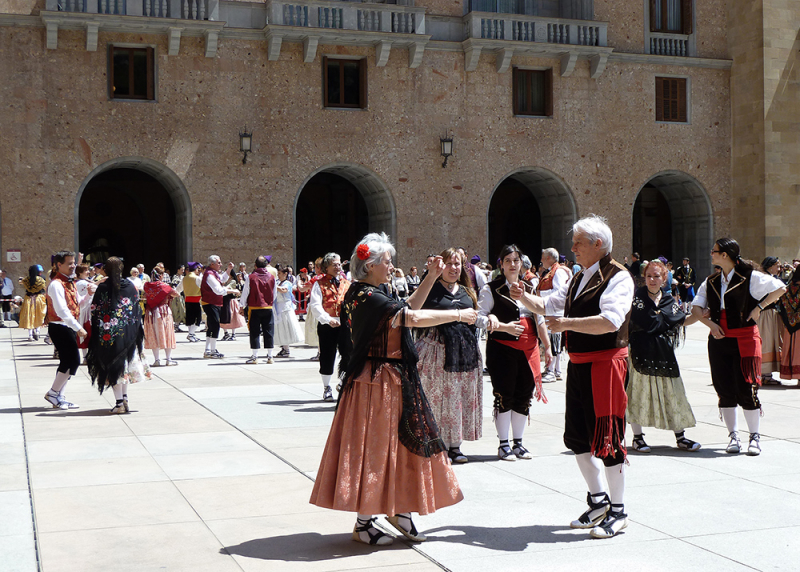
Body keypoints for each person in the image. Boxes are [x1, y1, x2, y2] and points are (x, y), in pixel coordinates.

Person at [310, 233, 467, 546]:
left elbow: (407, 309)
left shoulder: (369, 292)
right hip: (378, 382)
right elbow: (410, 317)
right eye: (386, 261)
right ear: (369, 266)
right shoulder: (367, 296)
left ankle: (401, 509)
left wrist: (431, 277)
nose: (391, 265)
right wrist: (460, 314)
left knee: (399, 446)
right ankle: (366, 521)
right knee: (377, 448)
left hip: (389, 378)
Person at [512, 215, 634, 539]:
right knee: (577, 438)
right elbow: (548, 304)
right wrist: (522, 296)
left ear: (598, 244)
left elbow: (610, 321)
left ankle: (619, 511)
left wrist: (566, 325)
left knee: (608, 439)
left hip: (606, 365)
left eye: (578, 242)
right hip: (580, 365)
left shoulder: (618, 277)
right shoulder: (579, 278)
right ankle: (598, 501)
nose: (572, 247)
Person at [690, 238, 786, 455]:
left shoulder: (750, 277)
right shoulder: (711, 281)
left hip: (745, 339)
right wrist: (710, 324)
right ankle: (733, 436)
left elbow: (780, 288)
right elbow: (696, 307)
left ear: (725, 255)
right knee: (723, 389)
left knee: (747, 388)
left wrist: (759, 307)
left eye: (714, 251)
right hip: (719, 339)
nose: (711, 253)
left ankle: (754, 437)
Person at [407, 248, 484, 464]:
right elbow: (413, 312)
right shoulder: (431, 289)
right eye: (449, 263)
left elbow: (477, 317)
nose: (453, 268)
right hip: (435, 353)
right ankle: (436, 444)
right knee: (436, 398)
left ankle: (455, 445)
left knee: (458, 399)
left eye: (457, 264)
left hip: (464, 355)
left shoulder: (468, 292)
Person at [480, 244, 550, 461]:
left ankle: (518, 443)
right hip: (503, 349)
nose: (512, 264)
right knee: (505, 395)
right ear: (501, 264)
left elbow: (539, 318)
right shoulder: (491, 289)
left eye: (516, 260)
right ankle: (503, 444)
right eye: (508, 260)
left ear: (521, 264)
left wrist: (547, 347)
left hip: (529, 350)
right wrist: (501, 325)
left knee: (524, 395)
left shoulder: (529, 287)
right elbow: (480, 317)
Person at [627, 260, 701, 453]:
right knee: (638, 393)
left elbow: (681, 320)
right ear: (644, 278)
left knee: (673, 392)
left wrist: (703, 316)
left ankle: (681, 437)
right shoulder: (636, 298)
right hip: (639, 353)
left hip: (664, 353)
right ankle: (637, 438)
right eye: (649, 276)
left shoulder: (669, 300)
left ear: (664, 278)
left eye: (656, 276)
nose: (652, 279)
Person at [86, 257, 150, 413]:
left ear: (106, 270)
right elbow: (137, 310)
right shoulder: (130, 286)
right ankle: (125, 399)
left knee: (113, 366)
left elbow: (94, 309)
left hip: (108, 335)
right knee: (125, 366)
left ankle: (119, 402)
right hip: (128, 334)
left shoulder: (103, 287)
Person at [44, 251, 95, 410]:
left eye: (74, 263)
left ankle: (59, 396)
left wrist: (88, 295)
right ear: (59, 265)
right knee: (71, 361)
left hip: (66, 327)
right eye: (70, 263)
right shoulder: (56, 284)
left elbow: (77, 303)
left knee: (69, 362)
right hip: (60, 327)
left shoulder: (69, 282)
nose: (73, 266)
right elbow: (61, 310)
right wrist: (78, 327)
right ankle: (53, 393)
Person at [309, 253, 351, 401]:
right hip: (327, 324)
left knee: (348, 354)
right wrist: (327, 319)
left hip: (345, 324)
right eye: (334, 264)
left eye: (339, 264)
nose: (338, 267)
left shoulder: (347, 283)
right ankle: (326, 387)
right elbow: (315, 305)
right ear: (326, 267)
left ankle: (343, 383)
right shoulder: (318, 283)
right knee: (327, 355)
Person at [538, 248, 572, 382]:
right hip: (552, 311)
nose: (541, 260)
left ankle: (552, 371)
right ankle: (555, 370)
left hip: (555, 313)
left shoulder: (558, 272)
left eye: (542, 257)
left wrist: (540, 294)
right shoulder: (554, 271)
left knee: (554, 343)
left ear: (548, 258)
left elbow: (559, 292)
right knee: (554, 343)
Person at [240, 256, 278, 364]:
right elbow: (274, 294)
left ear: (255, 265)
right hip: (268, 308)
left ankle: (255, 356)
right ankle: (270, 356)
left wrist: (241, 306)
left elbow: (245, 292)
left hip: (254, 307)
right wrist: (268, 302)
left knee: (255, 331)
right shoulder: (272, 277)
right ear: (266, 265)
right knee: (269, 331)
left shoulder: (251, 277)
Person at [201, 256, 235, 359]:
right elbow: (218, 290)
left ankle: (208, 350)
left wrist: (229, 269)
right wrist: (232, 291)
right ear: (212, 264)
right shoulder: (209, 275)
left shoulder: (213, 273)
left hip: (213, 302)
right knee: (215, 325)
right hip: (210, 303)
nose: (220, 264)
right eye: (219, 263)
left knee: (212, 326)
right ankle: (212, 350)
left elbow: (222, 279)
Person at [143, 269, 179, 366]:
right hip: (163, 311)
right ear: (161, 275)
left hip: (151, 312)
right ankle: (168, 359)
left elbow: (145, 295)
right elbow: (176, 294)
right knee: (167, 333)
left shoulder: (147, 285)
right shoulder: (164, 286)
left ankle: (157, 360)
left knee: (153, 334)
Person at [758, 256, 784, 385]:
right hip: (765, 313)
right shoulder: (765, 279)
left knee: (772, 342)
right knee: (766, 342)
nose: (779, 269)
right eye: (777, 266)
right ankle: (764, 373)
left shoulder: (771, 278)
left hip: (772, 314)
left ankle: (766, 373)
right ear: (770, 266)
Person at [273, 266, 303, 357]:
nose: (278, 275)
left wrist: (273, 285)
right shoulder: (278, 282)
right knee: (281, 328)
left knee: (286, 327)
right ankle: (284, 348)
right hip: (278, 307)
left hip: (285, 308)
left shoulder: (287, 283)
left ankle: (286, 349)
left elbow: (283, 290)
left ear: (285, 274)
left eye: (280, 274)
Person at [778, 266, 800, 383]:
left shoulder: (787, 288)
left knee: (793, 350)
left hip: (789, 325)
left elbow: (782, 306)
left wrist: (788, 320)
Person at [19, 265, 47, 341]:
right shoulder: (41, 279)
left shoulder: (26, 279)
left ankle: (30, 335)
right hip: (39, 298)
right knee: (39, 315)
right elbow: (45, 287)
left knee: (29, 316)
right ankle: (38, 332)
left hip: (28, 299)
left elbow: (21, 282)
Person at [75, 264, 95, 364]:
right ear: (79, 273)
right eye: (85, 271)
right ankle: (86, 357)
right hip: (86, 312)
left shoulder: (83, 282)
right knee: (88, 334)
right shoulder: (82, 283)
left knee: (86, 334)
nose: (88, 272)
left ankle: (86, 357)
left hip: (86, 311)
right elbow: (95, 288)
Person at [220, 272, 246, 341]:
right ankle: (226, 333)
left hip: (231, 301)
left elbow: (227, 288)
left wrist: (221, 288)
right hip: (224, 300)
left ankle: (233, 334)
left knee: (233, 318)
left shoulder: (233, 281)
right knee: (223, 317)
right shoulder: (224, 281)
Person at [183, 262, 204, 342]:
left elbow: (179, 288)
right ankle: (191, 334)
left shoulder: (184, 278)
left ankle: (191, 334)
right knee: (198, 319)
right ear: (195, 270)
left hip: (187, 300)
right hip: (195, 301)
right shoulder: (197, 278)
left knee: (190, 318)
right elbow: (202, 288)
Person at [170, 265, 186, 332]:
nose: (183, 271)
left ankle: (178, 324)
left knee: (182, 310)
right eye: (181, 270)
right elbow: (174, 286)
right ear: (178, 270)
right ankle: (176, 325)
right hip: (177, 295)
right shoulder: (175, 277)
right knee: (176, 309)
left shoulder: (183, 277)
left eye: (183, 270)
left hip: (182, 295)